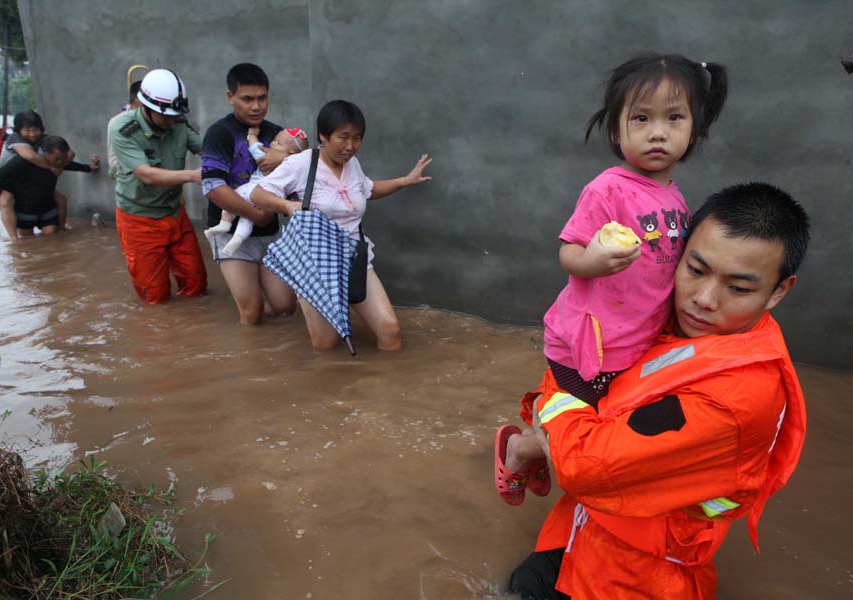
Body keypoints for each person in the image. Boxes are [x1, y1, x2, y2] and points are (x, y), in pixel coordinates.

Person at [506, 182, 810, 600]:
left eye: (738, 289)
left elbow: (586, 467)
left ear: (779, 290)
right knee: (519, 586)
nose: (703, 300)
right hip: (581, 530)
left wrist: (545, 404)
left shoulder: (735, 399)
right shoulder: (671, 320)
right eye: (695, 270)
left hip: (633, 577)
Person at [495, 54, 728, 505]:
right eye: (641, 118)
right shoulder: (608, 189)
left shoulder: (675, 199)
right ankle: (522, 449)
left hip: (634, 345)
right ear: (618, 131)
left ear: (693, 128)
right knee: (577, 439)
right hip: (588, 346)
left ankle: (539, 449)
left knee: (605, 433)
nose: (657, 131)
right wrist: (593, 262)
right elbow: (568, 251)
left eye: (674, 117)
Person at [253, 99, 432, 351]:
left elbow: (368, 190)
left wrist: (404, 181)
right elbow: (258, 194)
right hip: (314, 264)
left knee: (390, 330)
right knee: (326, 345)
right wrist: (286, 206)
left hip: (353, 256)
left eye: (357, 138)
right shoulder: (301, 164)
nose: (350, 146)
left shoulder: (353, 165)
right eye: (343, 137)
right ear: (323, 135)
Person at [201, 63, 298, 324]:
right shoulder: (219, 134)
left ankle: (255, 298)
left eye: (262, 98)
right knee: (252, 314)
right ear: (230, 97)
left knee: (285, 306)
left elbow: (297, 177)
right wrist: (258, 214)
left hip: (270, 234)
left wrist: (287, 158)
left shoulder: (276, 134)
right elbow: (213, 188)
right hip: (231, 232)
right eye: (247, 99)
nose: (256, 106)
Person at [109, 68, 206, 305]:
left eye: (176, 115)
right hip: (139, 220)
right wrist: (193, 176)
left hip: (174, 212)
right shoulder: (122, 129)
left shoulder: (178, 124)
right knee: (155, 296)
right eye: (167, 116)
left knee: (196, 284)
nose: (172, 121)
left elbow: (207, 149)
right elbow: (147, 174)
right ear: (147, 108)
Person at [204, 126, 309, 256]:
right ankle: (238, 238)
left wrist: (252, 136)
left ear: (292, 153)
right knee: (248, 219)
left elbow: (254, 148)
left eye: (278, 143)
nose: (272, 143)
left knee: (234, 195)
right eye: (275, 140)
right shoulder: (297, 166)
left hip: (254, 188)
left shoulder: (270, 157)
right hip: (272, 197)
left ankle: (225, 222)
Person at [0, 110, 100, 232]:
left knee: (60, 199)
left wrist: (85, 167)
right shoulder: (15, 139)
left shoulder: (43, 140)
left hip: (29, 180)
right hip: (8, 181)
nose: (33, 134)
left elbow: (68, 153)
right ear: (18, 130)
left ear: (41, 128)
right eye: (27, 130)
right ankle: (14, 241)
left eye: (36, 129)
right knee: (6, 201)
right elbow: (31, 157)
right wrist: (53, 168)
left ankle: (62, 231)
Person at [0, 135, 94, 240]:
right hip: (25, 210)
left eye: (63, 159)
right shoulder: (22, 162)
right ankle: (14, 240)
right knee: (27, 240)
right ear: (45, 153)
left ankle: (63, 229)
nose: (60, 163)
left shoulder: (59, 162)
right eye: (57, 159)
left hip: (47, 208)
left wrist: (90, 168)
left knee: (53, 236)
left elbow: (71, 165)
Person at [107, 80, 143, 178]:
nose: (143, 116)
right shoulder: (117, 124)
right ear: (130, 103)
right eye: (138, 110)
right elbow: (114, 164)